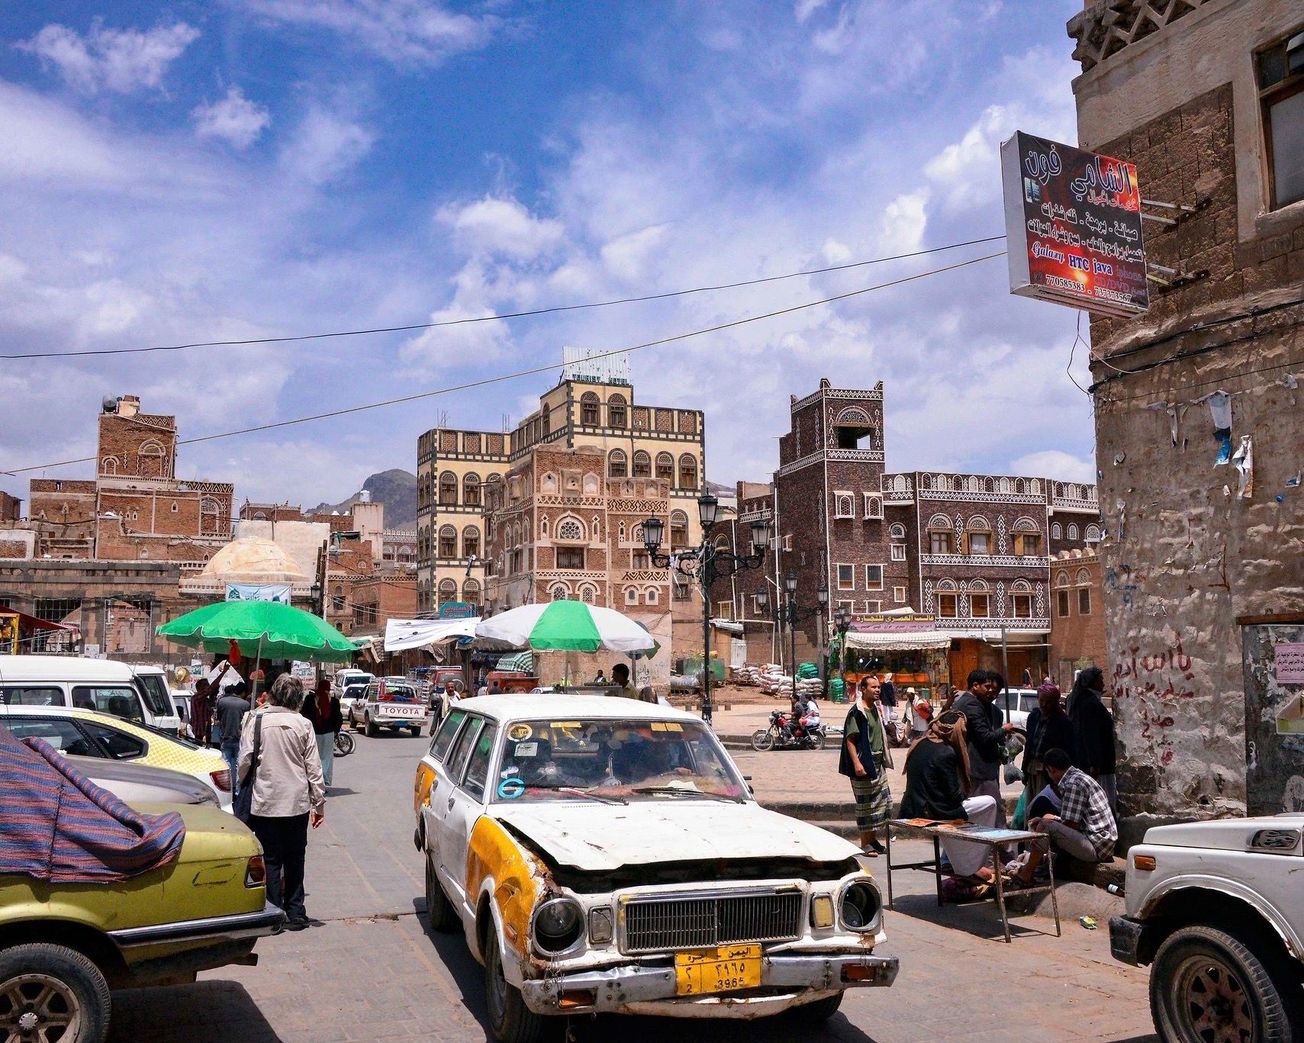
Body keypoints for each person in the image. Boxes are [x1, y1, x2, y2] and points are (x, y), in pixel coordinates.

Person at [237, 674, 326, 931]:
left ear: (273, 694)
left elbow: (244, 762)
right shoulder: (303, 724)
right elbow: (313, 768)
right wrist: (319, 804)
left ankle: (274, 914)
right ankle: (296, 912)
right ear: (298, 698)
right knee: (295, 858)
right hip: (296, 803)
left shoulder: (256, 720)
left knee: (271, 859)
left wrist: (244, 785)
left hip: (265, 801)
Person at [898, 710, 999, 879]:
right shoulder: (947, 752)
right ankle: (971, 864)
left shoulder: (919, 743)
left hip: (913, 807)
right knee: (989, 803)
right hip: (932, 811)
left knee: (964, 814)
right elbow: (954, 796)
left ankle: (959, 862)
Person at [1019, 747, 1117, 881]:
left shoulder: (1072, 784)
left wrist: (1047, 822)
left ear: (1051, 769)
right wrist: (1052, 818)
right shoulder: (1078, 777)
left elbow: (1071, 825)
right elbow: (1075, 821)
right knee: (1046, 821)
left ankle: (1027, 873)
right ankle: (1037, 867)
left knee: (1046, 825)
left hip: (1097, 847)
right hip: (1100, 842)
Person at [953, 669, 1015, 827]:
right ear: (976, 685)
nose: (991, 693)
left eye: (995, 691)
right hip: (979, 768)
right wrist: (1004, 730)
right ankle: (1002, 840)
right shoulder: (972, 704)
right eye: (988, 688)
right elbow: (985, 737)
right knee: (993, 808)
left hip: (982, 768)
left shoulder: (992, 710)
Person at [839, 676, 892, 856]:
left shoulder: (875, 708)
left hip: (877, 762)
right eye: (873, 687)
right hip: (864, 763)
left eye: (878, 687)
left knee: (880, 803)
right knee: (866, 805)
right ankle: (865, 843)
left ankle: (872, 840)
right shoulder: (857, 712)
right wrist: (857, 763)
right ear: (863, 689)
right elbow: (850, 739)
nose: (877, 690)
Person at [1067, 666, 1117, 811]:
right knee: (1102, 800)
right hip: (1098, 766)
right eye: (1100, 680)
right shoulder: (1090, 704)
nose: (1103, 683)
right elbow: (1091, 735)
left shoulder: (1086, 701)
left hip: (1094, 763)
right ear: (1093, 682)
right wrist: (1094, 764)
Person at [1022, 682, 1075, 803]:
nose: (1044, 705)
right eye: (1041, 700)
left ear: (1055, 702)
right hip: (1032, 769)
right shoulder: (1033, 717)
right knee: (1032, 803)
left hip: (1050, 772)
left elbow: (1068, 750)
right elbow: (1029, 744)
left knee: (1046, 802)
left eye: (1049, 702)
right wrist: (1024, 768)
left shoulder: (1063, 722)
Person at [302, 678, 343, 788]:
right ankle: (324, 781)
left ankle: (314, 780)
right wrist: (335, 731)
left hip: (313, 733)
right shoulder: (334, 701)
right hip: (328, 733)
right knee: (327, 758)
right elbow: (338, 718)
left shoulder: (310, 699)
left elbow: (304, 715)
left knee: (313, 757)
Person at [214, 681, 251, 795]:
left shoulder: (222, 702)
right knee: (238, 765)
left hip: (225, 737)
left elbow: (218, 718)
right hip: (240, 738)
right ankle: (237, 791)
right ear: (243, 692)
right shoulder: (245, 704)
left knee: (226, 764)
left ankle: (226, 790)